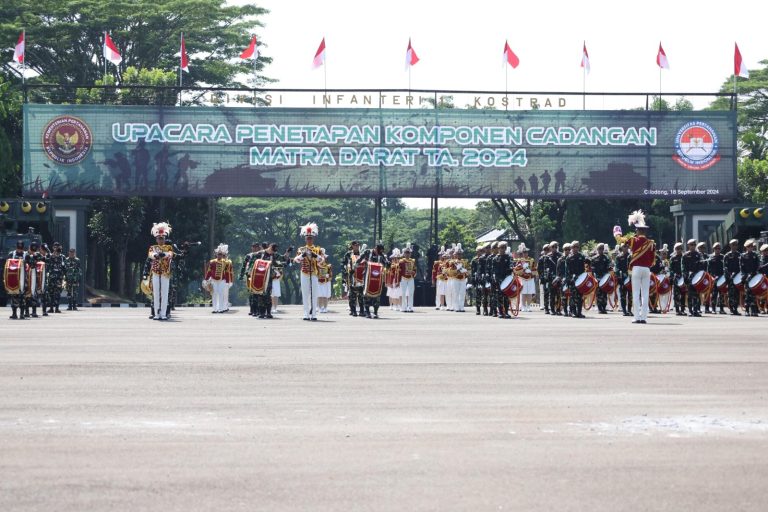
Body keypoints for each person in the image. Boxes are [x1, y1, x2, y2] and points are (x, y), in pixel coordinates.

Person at [614, 210, 656, 324]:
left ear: (637, 230)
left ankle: (637, 317)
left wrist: (617, 232)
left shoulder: (633, 240)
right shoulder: (651, 243)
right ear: (645, 231)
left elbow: (620, 240)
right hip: (647, 269)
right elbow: (653, 260)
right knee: (645, 293)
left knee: (636, 293)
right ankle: (644, 317)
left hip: (636, 269)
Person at [293, 222, 323, 321]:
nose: (309, 239)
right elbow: (296, 260)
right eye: (307, 238)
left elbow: (322, 260)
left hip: (314, 273)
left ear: (313, 239)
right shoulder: (301, 249)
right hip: (304, 272)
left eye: (310, 238)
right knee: (305, 294)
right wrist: (303, 255)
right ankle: (306, 313)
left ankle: (314, 314)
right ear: (305, 239)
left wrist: (316, 256)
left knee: (314, 294)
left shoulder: (318, 249)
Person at [145, 222, 174, 321]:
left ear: (165, 239)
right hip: (156, 272)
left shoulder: (168, 247)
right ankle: (156, 314)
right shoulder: (152, 247)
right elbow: (150, 254)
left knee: (165, 293)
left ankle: (163, 313)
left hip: (166, 272)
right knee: (156, 293)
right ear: (156, 238)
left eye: (162, 238)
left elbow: (170, 254)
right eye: (159, 238)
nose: (161, 240)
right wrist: (156, 255)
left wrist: (164, 254)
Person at [356, 243, 389, 318]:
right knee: (366, 295)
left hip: (378, 278)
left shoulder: (381, 255)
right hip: (367, 276)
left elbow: (386, 263)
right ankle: (367, 311)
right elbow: (359, 259)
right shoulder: (367, 252)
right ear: (375, 248)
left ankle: (375, 312)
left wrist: (388, 264)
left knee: (377, 295)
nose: (379, 253)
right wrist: (356, 264)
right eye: (378, 251)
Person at [204, 243, 233, 314]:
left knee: (221, 294)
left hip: (222, 280)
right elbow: (209, 271)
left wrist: (228, 281)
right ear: (216, 255)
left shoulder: (225, 262)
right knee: (214, 294)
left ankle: (220, 309)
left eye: (220, 254)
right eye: (218, 254)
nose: (219, 255)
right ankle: (215, 309)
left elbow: (227, 272)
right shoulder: (212, 262)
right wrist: (206, 279)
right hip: (214, 280)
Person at [565, 241, 590, 318]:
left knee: (580, 296)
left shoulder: (582, 256)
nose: (575, 248)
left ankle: (579, 312)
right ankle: (573, 312)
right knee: (572, 296)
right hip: (572, 279)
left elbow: (588, 262)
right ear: (571, 248)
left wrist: (588, 258)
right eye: (574, 247)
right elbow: (567, 270)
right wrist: (568, 279)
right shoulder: (569, 258)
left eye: (577, 247)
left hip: (581, 279)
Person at [6, 240, 27, 319]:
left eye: (21, 248)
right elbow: (7, 265)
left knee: (22, 297)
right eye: (18, 248)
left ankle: (22, 314)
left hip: (23, 279)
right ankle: (14, 313)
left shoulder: (26, 254)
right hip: (14, 279)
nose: (19, 250)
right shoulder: (12, 254)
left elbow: (32, 265)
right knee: (14, 296)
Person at [342, 241, 364, 316]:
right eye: (355, 245)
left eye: (358, 245)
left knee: (361, 295)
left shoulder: (362, 254)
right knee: (352, 295)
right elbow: (343, 265)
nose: (357, 247)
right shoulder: (348, 254)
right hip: (351, 276)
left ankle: (362, 310)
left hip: (361, 277)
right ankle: (353, 310)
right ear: (352, 246)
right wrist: (345, 275)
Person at [590, 243, 613, 314]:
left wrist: (609, 267)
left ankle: (604, 307)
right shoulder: (594, 258)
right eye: (599, 249)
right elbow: (591, 268)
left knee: (604, 293)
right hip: (597, 277)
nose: (601, 250)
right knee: (599, 293)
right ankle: (600, 308)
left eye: (602, 249)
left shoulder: (606, 258)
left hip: (604, 277)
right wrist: (594, 277)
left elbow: (609, 265)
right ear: (597, 249)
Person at [682, 239, 702, 317]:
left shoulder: (698, 254)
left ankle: (696, 310)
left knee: (696, 294)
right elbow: (683, 267)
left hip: (697, 277)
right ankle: (690, 310)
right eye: (691, 244)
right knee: (690, 295)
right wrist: (685, 277)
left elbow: (701, 265)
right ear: (688, 245)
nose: (693, 246)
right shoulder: (685, 255)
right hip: (689, 277)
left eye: (694, 244)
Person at [740, 239, 760, 316]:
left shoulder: (755, 255)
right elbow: (741, 268)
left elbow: (758, 265)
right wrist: (745, 275)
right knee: (748, 294)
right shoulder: (743, 256)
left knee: (754, 294)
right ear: (746, 247)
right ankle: (747, 310)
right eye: (749, 246)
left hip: (754, 276)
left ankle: (754, 310)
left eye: (751, 246)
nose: (750, 248)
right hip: (747, 277)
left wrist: (755, 273)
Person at [723, 238, 742, 316]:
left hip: (737, 277)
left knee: (737, 293)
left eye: (736, 245)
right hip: (730, 277)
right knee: (731, 294)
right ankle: (731, 308)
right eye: (733, 245)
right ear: (730, 245)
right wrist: (729, 275)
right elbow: (725, 267)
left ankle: (736, 308)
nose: (734, 246)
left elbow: (741, 266)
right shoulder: (727, 255)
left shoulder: (739, 255)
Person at [516, 243, 536, 313]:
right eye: (524, 252)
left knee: (529, 293)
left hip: (530, 278)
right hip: (523, 278)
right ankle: (523, 306)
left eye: (526, 252)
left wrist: (531, 272)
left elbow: (534, 268)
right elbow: (517, 270)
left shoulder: (531, 259)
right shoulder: (520, 260)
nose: (525, 253)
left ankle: (529, 306)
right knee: (523, 293)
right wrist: (523, 270)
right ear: (522, 253)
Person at [706, 242, 726, 314]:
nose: (717, 250)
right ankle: (713, 308)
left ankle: (721, 309)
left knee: (721, 294)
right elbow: (708, 270)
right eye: (716, 248)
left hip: (721, 277)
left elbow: (725, 268)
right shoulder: (710, 257)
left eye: (719, 248)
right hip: (713, 278)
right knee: (714, 294)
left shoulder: (723, 257)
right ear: (713, 249)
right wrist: (711, 277)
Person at [46, 242, 66, 314]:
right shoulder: (50, 255)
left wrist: (64, 276)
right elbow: (47, 264)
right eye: (54, 247)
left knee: (57, 293)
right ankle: (51, 308)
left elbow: (64, 267)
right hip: (51, 277)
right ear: (52, 247)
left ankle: (57, 308)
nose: (56, 248)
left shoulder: (62, 257)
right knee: (51, 293)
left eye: (57, 247)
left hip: (59, 277)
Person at [669, 242, 687, 316]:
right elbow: (670, 269)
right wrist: (671, 277)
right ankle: (677, 310)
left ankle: (682, 310)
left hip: (683, 277)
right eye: (677, 248)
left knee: (683, 294)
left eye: (680, 248)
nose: (678, 250)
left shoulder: (685, 257)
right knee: (676, 295)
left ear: (682, 249)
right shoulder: (672, 258)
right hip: (676, 277)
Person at [615, 243, 632, 316]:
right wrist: (619, 273)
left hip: (630, 277)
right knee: (623, 295)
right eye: (624, 247)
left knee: (630, 295)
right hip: (622, 278)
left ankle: (629, 310)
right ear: (621, 248)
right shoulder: (618, 257)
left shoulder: (631, 256)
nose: (625, 248)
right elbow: (616, 267)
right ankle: (624, 310)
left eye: (626, 246)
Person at [399, 245, 417, 313]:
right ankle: (403, 307)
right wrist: (398, 280)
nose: (407, 254)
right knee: (403, 293)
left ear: (410, 253)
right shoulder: (401, 261)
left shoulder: (413, 261)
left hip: (411, 278)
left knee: (411, 293)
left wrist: (413, 272)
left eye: (408, 253)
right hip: (403, 278)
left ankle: (410, 307)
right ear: (404, 253)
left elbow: (415, 269)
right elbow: (399, 271)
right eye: (406, 252)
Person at [555, 243, 570, 317]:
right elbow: (558, 271)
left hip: (570, 279)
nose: (567, 251)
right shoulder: (560, 259)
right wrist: (560, 278)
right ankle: (564, 310)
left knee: (571, 296)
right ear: (563, 250)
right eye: (566, 249)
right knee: (562, 296)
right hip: (562, 279)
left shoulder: (572, 258)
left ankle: (570, 310)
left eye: (568, 249)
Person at [317, 248, 333, 313]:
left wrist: (328, 276)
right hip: (319, 281)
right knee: (319, 295)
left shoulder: (328, 266)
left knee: (325, 295)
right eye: (321, 254)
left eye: (323, 255)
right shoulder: (317, 265)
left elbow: (331, 274)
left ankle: (325, 307)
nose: (322, 257)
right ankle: (320, 307)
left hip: (326, 281)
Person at [538, 243, 551, 314]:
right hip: (545, 278)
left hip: (552, 278)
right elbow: (539, 269)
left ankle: (553, 307)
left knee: (553, 293)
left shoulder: (552, 257)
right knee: (546, 293)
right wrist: (541, 277)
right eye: (545, 249)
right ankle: (546, 307)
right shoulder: (541, 259)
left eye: (548, 249)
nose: (547, 251)